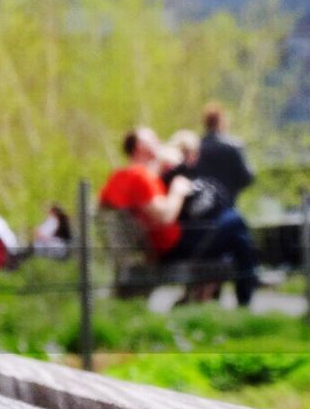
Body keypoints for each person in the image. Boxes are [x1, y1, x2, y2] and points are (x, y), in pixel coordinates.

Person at [102, 128, 257, 306]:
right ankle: (243, 300)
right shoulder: (139, 176)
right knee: (236, 222)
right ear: (140, 146)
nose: (158, 141)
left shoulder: (123, 175)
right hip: (173, 248)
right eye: (153, 138)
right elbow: (165, 217)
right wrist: (178, 190)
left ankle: (220, 298)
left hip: (167, 244)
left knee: (237, 235)